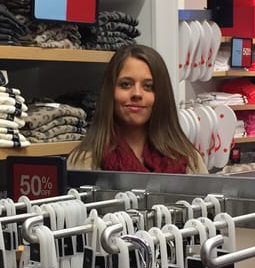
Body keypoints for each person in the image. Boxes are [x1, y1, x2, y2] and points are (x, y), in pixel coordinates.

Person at [67, 44, 207, 173]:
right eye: (126, 84)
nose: (137, 94)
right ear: (110, 92)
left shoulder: (190, 161)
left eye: (148, 86)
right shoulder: (84, 162)